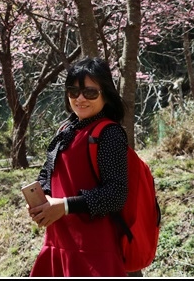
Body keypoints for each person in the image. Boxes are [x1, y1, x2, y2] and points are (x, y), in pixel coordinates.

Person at [28, 57, 129, 277]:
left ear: (106, 94)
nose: (80, 98)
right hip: (58, 242)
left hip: (94, 251)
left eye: (90, 93)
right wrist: (42, 199)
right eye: (73, 92)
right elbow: (47, 171)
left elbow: (116, 194)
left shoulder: (109, 134)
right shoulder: (66, 129)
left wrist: (64, 206)